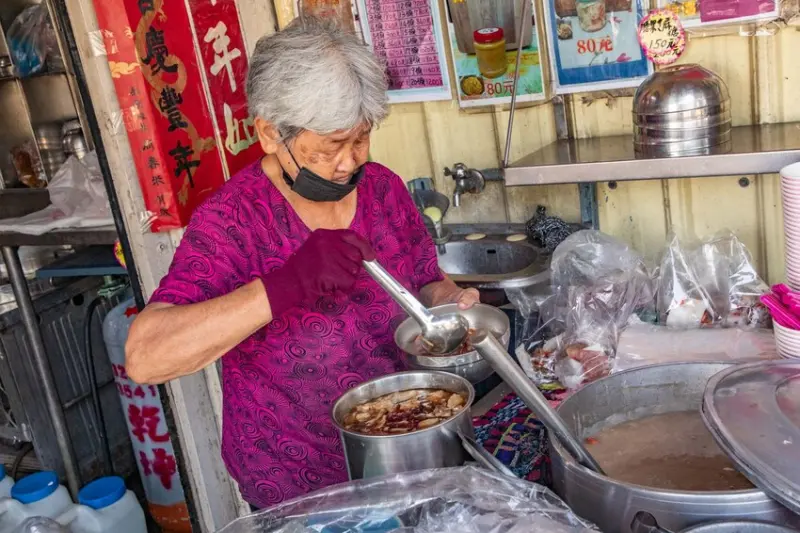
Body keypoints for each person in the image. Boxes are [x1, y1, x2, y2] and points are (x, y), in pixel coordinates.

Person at [125, 17, 480, 509]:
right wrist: (286, 284)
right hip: (297, 478)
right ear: (271, 134)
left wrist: (449, 303)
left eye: (361, 139)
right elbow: (146, 356)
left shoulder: (382, 188)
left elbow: (424, 280)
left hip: (406, 443)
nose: (350, 161)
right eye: (331, 146)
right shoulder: (235, 219)